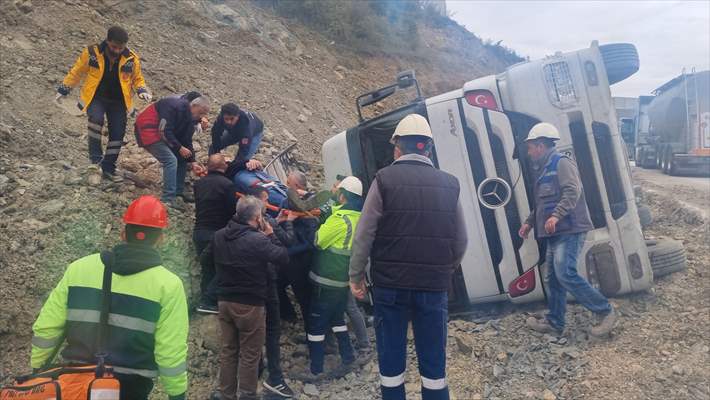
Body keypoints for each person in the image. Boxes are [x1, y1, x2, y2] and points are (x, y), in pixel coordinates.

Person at [349, 114, 468, 400]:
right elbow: (461, 239)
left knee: (391, 365)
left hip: (391, 288)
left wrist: (356, 275)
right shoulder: (449, 184)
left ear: (396, 149)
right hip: (433, 287)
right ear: (427, 148)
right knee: (434, 369)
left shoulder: (384, 180)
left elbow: (365, 233)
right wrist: (445, 268)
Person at [30, 196, 188, 400]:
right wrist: (177, 394)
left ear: (123, 233)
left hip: (75, 384)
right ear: (161, 239)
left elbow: (47, 328)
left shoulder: (79, 268)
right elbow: (170, 351)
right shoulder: (168, 285)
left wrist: (38, 370)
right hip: (131, 389)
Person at [519, 122, 617, 337]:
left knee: (565, 273)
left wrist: (556, 215)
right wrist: (529, 222)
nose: (529, 152)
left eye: (531, 147)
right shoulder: (544, 169)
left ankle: (605, 311)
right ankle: (555, 323)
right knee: (553, 278)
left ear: (541, 145)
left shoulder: (561, 163)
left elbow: (573, 190)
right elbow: (542, 203)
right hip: (556, 233)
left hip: (570, 229)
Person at [201, 196, 289, 400]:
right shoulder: (258, 240)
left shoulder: (219, 235)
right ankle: (248, 395)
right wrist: (270, 235)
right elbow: (282, 257)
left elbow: (204, 259)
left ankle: (226, 394)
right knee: (250, 353)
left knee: (228, 350)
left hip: (224, 301)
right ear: (257, 217)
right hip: (250, 303)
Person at [56, 26, 151, 182]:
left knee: (118, 133)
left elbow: (137, 78)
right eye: (114, 47)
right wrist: (64, 89)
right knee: (95, 119)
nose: (117, 50)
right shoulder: (92, 53)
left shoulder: (132, 58)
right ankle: (95, 160)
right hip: (96, 97)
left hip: (119, 101)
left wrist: (141, 90)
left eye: (121, 48)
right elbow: (77, 71)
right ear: (108, 41)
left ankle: (108, 166)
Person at [296, 176, 363, 383]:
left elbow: (318, 240)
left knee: (316, 325)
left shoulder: (338, 219)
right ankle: (348, 357)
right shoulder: (358, 217)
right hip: (342, 281)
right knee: (337, 320)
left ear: (342, 196)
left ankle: (316, 370)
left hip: (326, 279)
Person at [249, 186, 297, 398]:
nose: (269, 202)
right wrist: (290, 225)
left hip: (248, 287)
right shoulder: (266, 224)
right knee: (271, 330)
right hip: (268, 281)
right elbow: (285, 246)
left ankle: (257, 369)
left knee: (252, 331)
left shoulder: (232, 229)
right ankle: (275, 377)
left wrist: (277, 220)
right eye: (266, 200)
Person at [135, 95, 209, 209]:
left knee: (183, 158)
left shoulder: (190, 118)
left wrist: (193, 161)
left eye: (203, 114)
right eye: (200, 113)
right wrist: (179, 147)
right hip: (148, 129)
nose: (201, 117)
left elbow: (186, 140)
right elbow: (164, 130)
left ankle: (178, 192)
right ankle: (168, 199)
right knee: (170, 160)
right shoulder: (174, 106)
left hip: (160, 133)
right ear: (193, 106)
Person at [194, 153, 238, 314]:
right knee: (223, 268)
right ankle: (209, 301)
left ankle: (204, 303)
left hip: (199, 232)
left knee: (207, 269)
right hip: (218, 233)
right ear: (222, 167)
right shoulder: (228, 185)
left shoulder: (198, 184)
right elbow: (232, 211)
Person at [278, 171, 319, 329]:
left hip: (302, 257)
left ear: (296, 186)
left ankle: (315, 335)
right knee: (277, 283)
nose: (286, 186)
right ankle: (291, 318)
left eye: (288, 184)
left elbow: (310, 235)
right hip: (294, 256)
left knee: (306, 298)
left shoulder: (312, 203)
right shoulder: (286, 202)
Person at [209, 103, 265, 171]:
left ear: (237, 116)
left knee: (243, 161)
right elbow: (215, 134)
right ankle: (212, 168)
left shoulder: (246, 127)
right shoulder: (221, 118)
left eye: (232, 119)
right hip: (233, 131)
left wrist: (231, 168)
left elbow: (243, 152)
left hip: (254, 133)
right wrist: (216, 154)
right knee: (213, 147)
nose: (229, 122)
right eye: (226, 119)